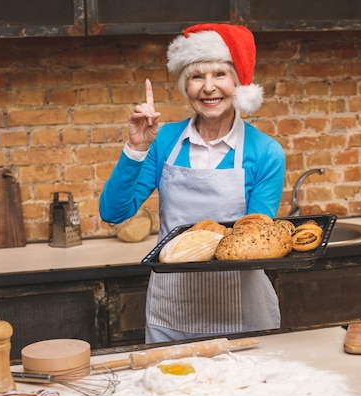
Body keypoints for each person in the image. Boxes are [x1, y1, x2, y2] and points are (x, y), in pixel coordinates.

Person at [99, 24, 286, 344]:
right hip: (172, 311)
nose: (208, 87)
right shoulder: (163, 142)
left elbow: (254, 243)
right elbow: (113, 212)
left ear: (238, 83)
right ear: (185, 85)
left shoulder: (266, 152)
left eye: (220, 74)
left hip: (240, 312)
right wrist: (136, 147)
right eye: (197, 76)